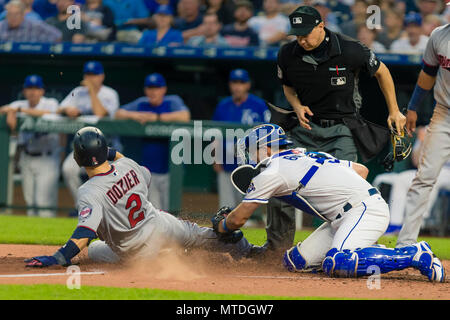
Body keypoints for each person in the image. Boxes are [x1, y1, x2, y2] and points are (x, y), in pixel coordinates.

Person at [217, 123, 445, 282]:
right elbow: (362, 170)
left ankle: (414, 254)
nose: (250, 156)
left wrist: (222, 226)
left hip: (364, 210)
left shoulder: (271, 172)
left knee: (338, 262)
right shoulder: (308, 156)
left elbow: (239, 219)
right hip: (348, 215)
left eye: (252, 150)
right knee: (295, 263)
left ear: (266, 148)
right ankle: (366, 249)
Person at [270, 5, 406, 256]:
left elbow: (382, 72)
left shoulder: (349, 48)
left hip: (342, 128)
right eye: (297, 34)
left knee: (347, 191)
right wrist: (297, 105)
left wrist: (394, 110)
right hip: (305, 128)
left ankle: (342, 247)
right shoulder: (287, 53)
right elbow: (287, 86)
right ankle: (275, 251)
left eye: (305, 33)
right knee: (280, 184)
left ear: (321, 26)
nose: (301, 39)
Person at [24, 127, 256, 267]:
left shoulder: (88, 191)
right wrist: (108, 154)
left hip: (138, 251)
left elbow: (85, 233)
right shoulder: (127, 164)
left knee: (94, 250)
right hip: (162, 224)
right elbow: (136, 170)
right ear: (106, 150)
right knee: (199, 234)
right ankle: (247, 250)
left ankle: (181, 257)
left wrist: (58, 257)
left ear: (77, 158)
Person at [395, 22, 449, 248]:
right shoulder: (439, 35)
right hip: (445, 113)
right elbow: (428, 72)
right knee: (424, 177)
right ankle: (405, 244)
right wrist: (413, 107)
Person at [115, 73, 190, 211]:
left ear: (164, 89)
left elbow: (185, 116)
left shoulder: (172, 101)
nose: (153, 91)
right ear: (145, 90)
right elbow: (118, 113)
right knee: (154, 212)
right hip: (149, 170)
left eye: (157, 88)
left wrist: (156, 117)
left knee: (171, 212)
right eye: (150, 88)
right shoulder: (142, 103)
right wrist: (135, 115)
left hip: (171, 169)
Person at [58, 61, 120, 206]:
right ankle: (83, 206)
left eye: (94, 75)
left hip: (107, 148)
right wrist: (67, 110)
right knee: (68, 170)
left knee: (107, 182)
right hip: (85, 146)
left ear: (102, 76)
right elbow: (59, 108)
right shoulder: (78, 92)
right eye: (88, 75)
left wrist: (91, 90)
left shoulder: (110, 94)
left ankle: (107, 211)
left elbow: (100, 113)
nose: (91, 78)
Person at [0, 75, 61, 217]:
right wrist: (9, 111)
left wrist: (19, 111)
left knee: (43, 203)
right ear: (24, 91)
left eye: (36, 88)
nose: (32, 92)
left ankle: (48, 234)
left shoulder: (50, 103)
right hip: (27, 157)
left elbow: (51, 113)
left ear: (42, 91)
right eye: (29, 88)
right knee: (30, 201)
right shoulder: (19, 104)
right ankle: (35, 238)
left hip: (47, 157)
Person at [372, 126, 450, 233]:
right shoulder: (430, 128)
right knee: (401, 179)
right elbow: (416, 161)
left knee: (429, 177)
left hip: (446, 171)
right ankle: (396, 224)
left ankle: (419, 222)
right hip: (427, 170)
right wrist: (423, 141)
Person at [212, 69, 270, 209]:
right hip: (227, 163)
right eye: (234, 82)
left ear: (248, 85)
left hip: (251, 165)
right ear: (230, 85)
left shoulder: (258, 105)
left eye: (242, 83)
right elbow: (215, 134)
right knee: (226, 208)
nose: (238, 86)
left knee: (248, 208)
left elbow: (268, 133)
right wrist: (215, 158)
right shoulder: (223, 105)